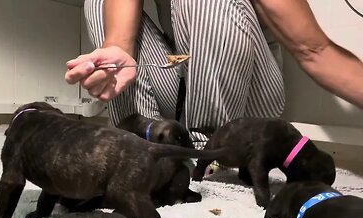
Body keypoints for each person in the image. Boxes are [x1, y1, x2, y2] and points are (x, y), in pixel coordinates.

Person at [65, 0, 363, 136]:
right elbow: (120, 45)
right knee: (98, 2)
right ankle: (143, 146)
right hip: (179, 86)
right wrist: (116, 50)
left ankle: (213, 158)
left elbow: (316, 51)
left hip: (246, 107)